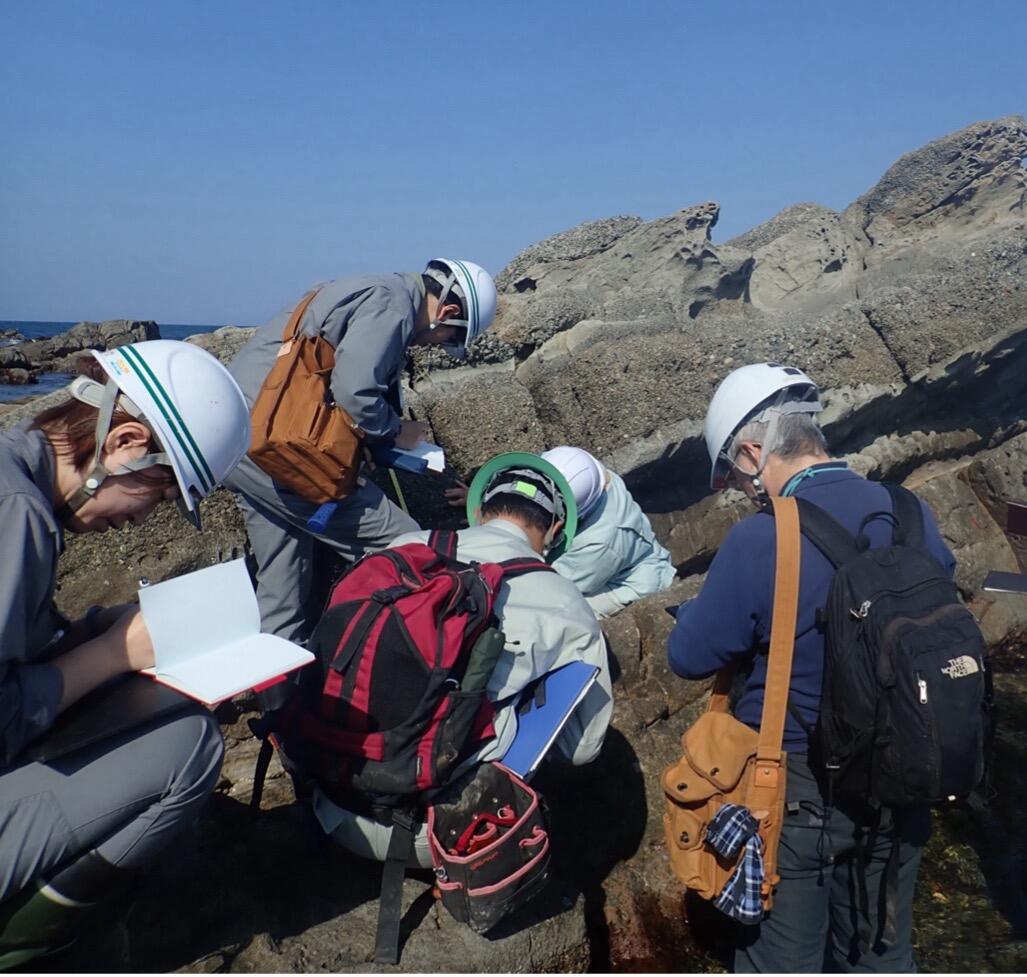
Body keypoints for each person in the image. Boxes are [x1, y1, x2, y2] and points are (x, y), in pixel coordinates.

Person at [666, 363, 957, 973]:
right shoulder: (907, 513)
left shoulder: (762, 538)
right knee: (880, 948)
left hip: (798, 785)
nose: (743, 491)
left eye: (736, 476)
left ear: (753, 451)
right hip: (904, 767)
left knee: (784, 959)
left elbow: (688, 656)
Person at [0, 341, 251, 967]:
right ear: (124, 443)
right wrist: (113, 654)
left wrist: (86, 635)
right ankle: (25, 946)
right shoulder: (18, 515)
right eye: (160, 497)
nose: (143, 522)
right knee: (188, 747)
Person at [309, 454, 613, 864]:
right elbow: (583, 747)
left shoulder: (404, 548)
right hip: (433, 840)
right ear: (556, 529)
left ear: (480, 510)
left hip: (329, 800)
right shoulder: (564, 600)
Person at [224, 259, 497, 645]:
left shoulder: (365, 286)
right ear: (448, 313)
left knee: (282, 592)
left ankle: (280, 699)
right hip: (284, 453)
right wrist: (395, 431)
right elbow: (355, 392)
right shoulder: (393, 305)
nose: (438, 346)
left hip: (239, 445)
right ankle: (396, 669)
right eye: (450, 338)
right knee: (411, 550)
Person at [540, 445, 677, 618]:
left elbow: (551, 587)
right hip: (623, 551)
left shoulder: (597, 543)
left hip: (631, 583)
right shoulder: (589, 476)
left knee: (559, 615)